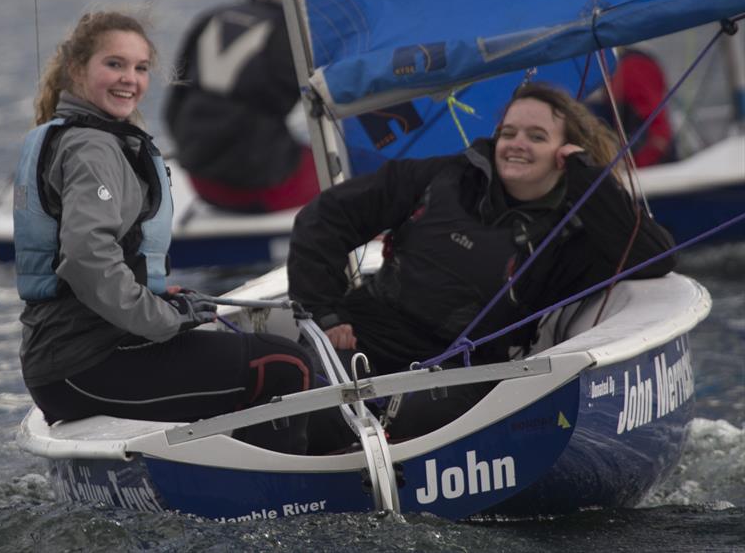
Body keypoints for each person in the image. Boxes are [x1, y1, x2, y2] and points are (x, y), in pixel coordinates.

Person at [287, 82, 677, 454]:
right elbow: (324, 218)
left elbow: (655, 257)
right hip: (366, 337)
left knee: (418, 417)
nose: (517, 145)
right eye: (509, 133)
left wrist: (589, 178)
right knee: (308, 392)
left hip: (463, 372)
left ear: (565, 153)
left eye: (537, 137)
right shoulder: (443, 177)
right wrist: (325, 311)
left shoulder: (573, 239)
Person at [13, 10, 314, 455]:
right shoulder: (91, 148)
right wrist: (161, 321)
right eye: (114, 64)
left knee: (250, 353)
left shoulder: (81, 135)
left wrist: (155, 296)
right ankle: (292, 500)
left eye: (140, 68)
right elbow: (86, 259)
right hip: (84, 364)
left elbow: (101, 261)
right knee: (285, 364)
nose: (129, 79)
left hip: (70, 358)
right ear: (77, 70)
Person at [163, 0, 319, 213]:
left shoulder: (211, 18)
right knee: (335, 167)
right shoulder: (290, 33)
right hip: (257, 187)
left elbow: (173, 107)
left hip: (200, 179)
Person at [587, 46, 676, 167]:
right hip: (629, 156)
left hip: (650, 164)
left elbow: (658, 132)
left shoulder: (633, 67)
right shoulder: (608, 72)